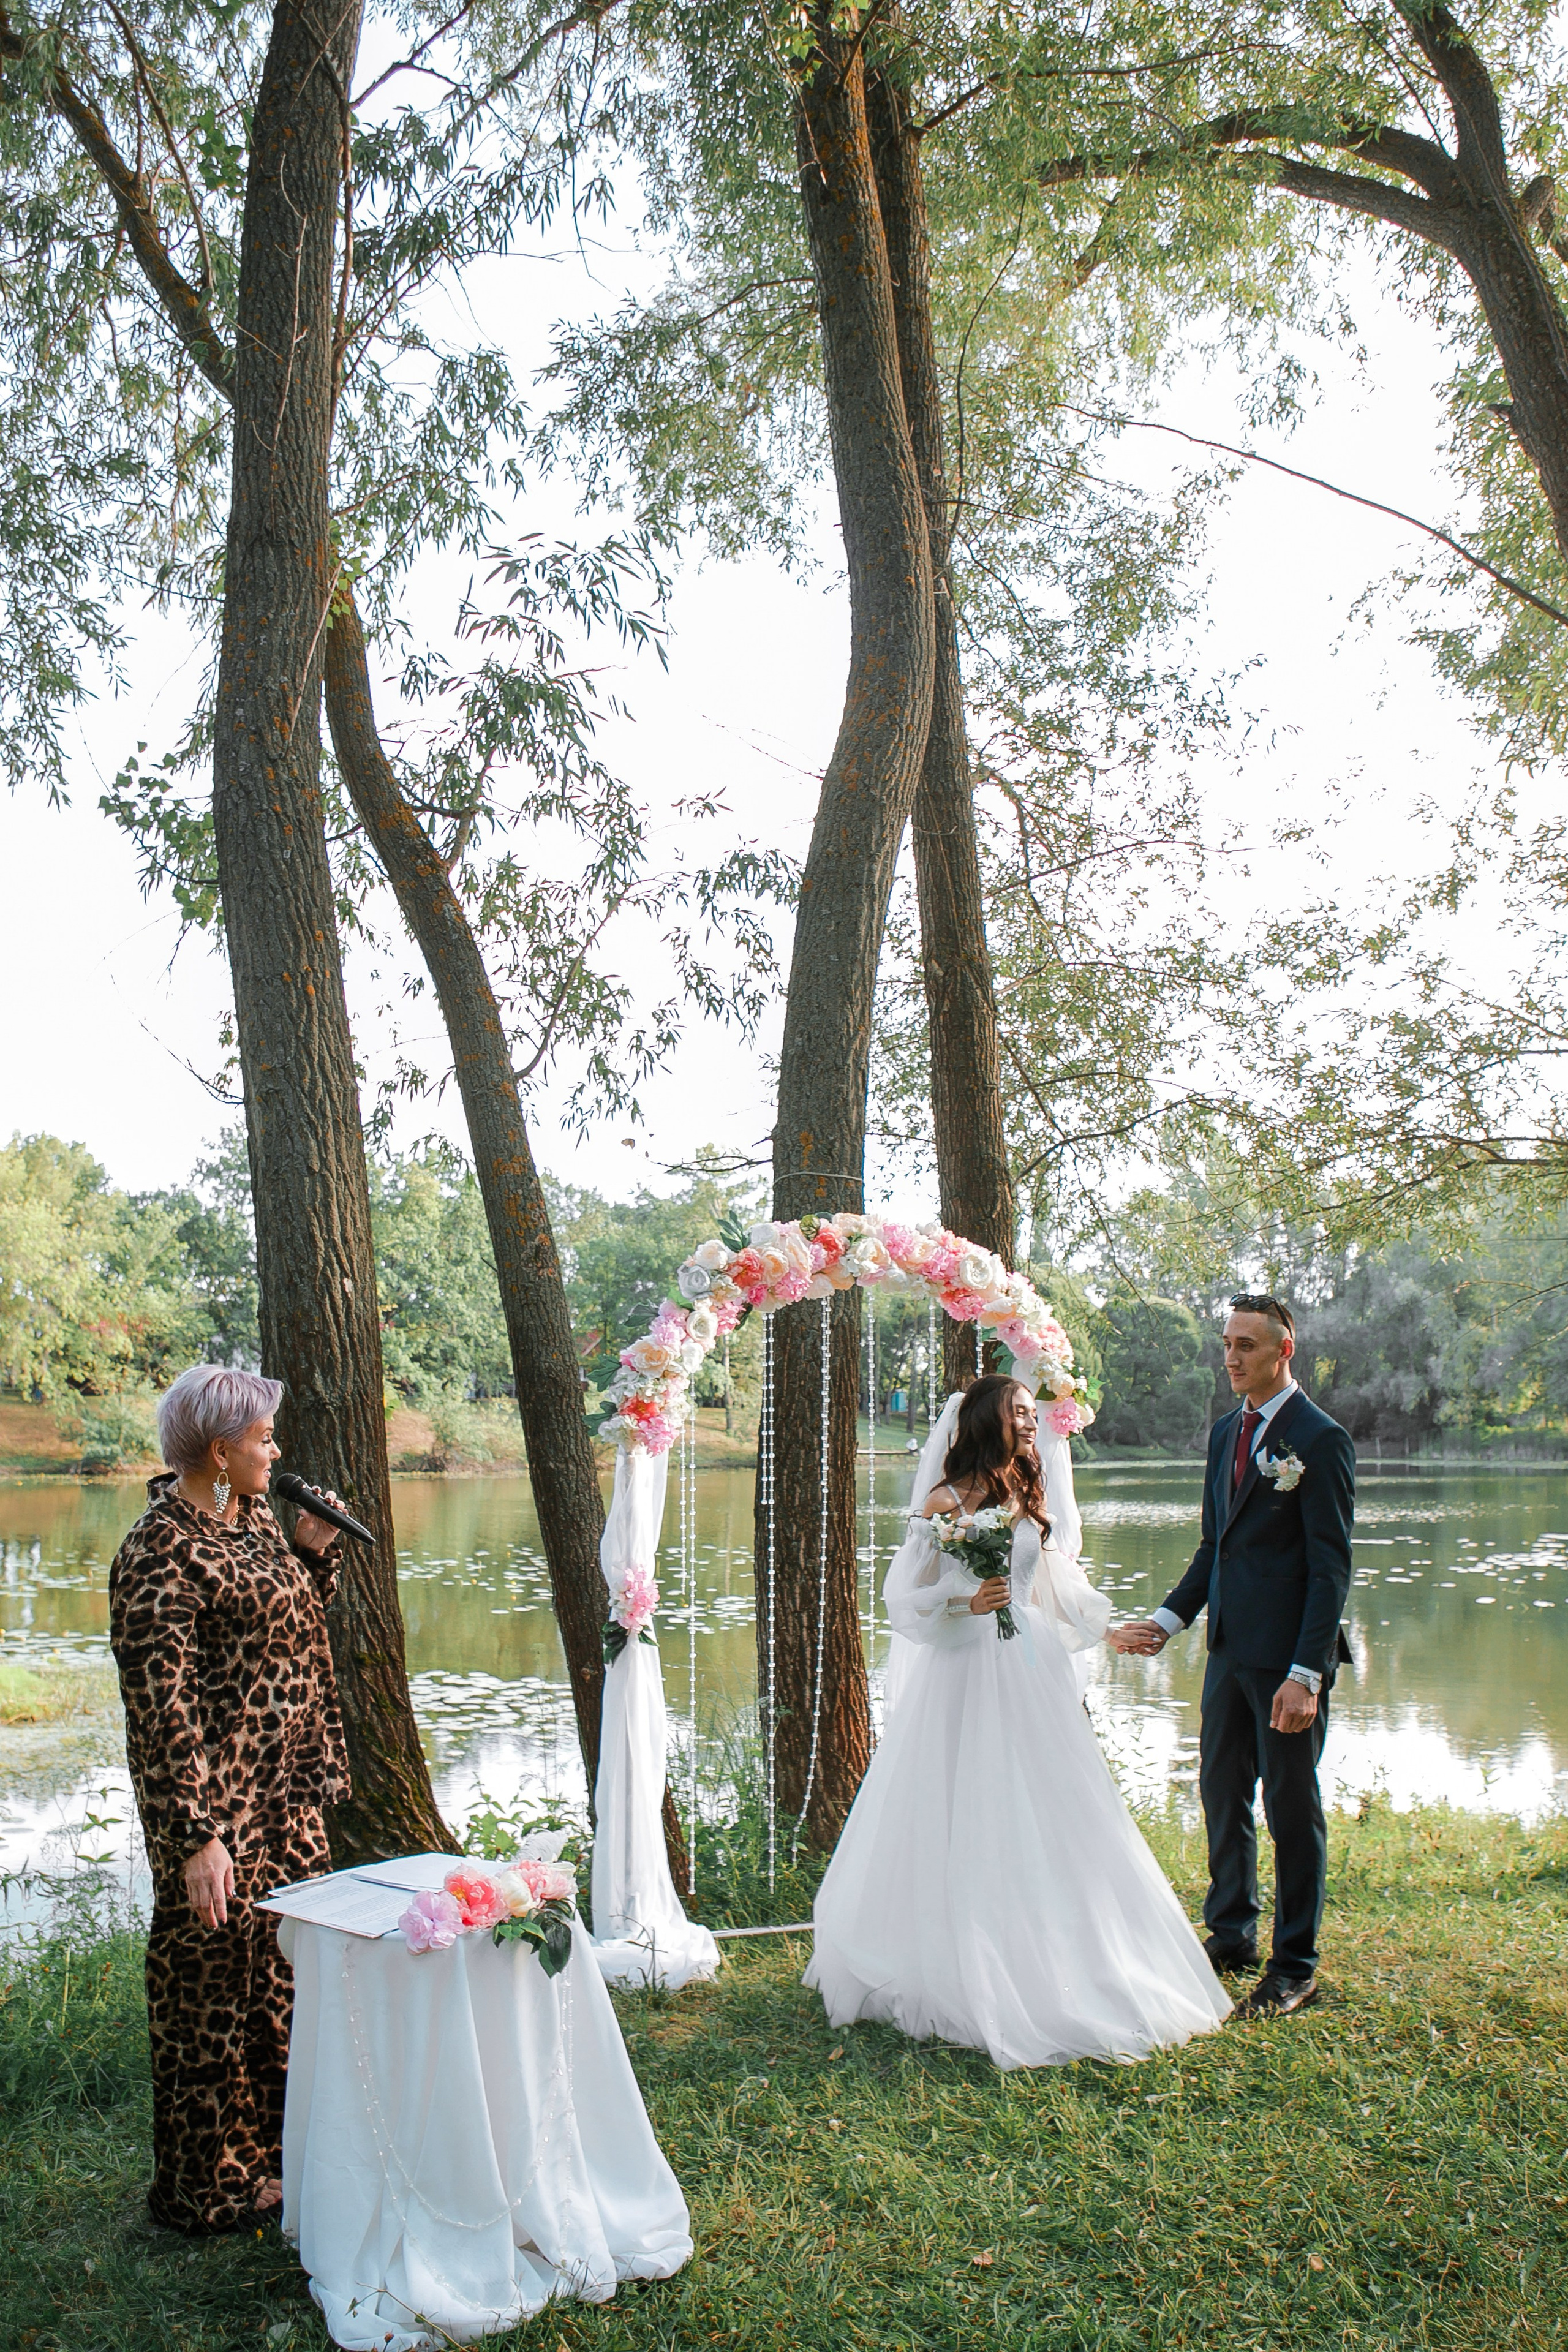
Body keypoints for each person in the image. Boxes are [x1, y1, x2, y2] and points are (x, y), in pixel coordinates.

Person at [804, 1375, 1231, 2069]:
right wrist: (960, 1599)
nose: (1032, 1424)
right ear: (984, 1421)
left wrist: (1106, 1627)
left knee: (1055, 1808)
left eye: (1035, 1414)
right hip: (966, 1674)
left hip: (1029, 1668)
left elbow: (1051, 1585)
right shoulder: (944, 1503)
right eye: (1020, 1414)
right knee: (965, 1802)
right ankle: (960, 1956)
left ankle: (1060, 1946)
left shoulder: (1027, 1498)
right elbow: (903, 1600)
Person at [109, 1365, 350, 2232]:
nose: (275, 1452)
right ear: (219, 1453)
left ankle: (277, 2165)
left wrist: (312, 1555)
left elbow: (288, 1637)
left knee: (281, 1986)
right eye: (263, 1441)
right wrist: (194, 1836)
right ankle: (205, 2187)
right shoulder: (158, 1549)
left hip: (289, 1802)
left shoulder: (254, 1523)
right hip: (218, 1812)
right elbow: (159, 1709)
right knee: (207, 1995)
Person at [1112, 1294, 1355, 2018]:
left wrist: (1305, 1675)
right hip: (1227, 1655)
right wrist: (1167, 1619)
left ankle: (1295, 1966)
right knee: (1221, 1795)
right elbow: (1214, 1548)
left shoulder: (1320, 1439)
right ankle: (1231, 1935)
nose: (1231, 1357)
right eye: (1227, 1343)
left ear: (1284, 1350)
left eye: (1247, 1344)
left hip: (1287, 1665)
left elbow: (1329, 1569)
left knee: (1290, 1809)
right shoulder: (1226, 1433)